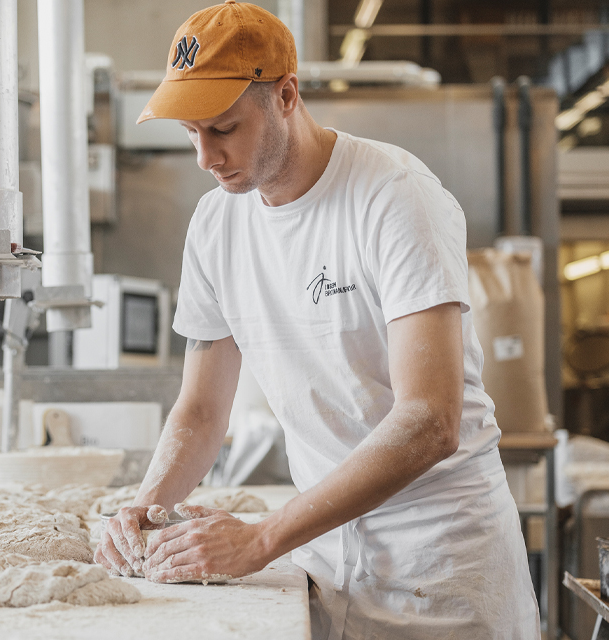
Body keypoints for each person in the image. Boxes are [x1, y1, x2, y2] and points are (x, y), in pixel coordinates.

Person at [94, 2, 541, 638]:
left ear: (285, 95)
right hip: (324, 563)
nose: (205, 157)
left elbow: (430, 421)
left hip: (440, 570)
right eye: (191, 133)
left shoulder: (393, 196)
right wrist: (147, 506)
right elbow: (201, 409)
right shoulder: (216, 226)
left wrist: (260, 540)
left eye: (222, 128)